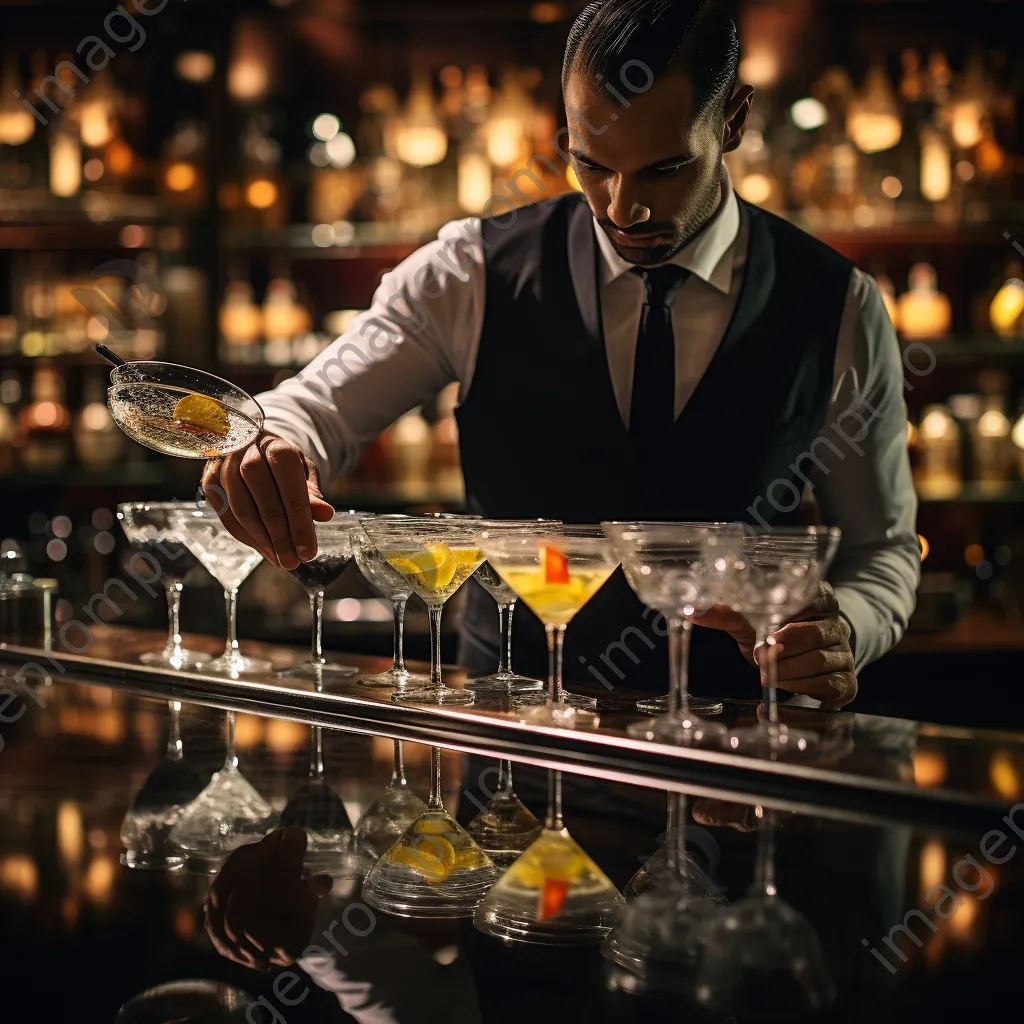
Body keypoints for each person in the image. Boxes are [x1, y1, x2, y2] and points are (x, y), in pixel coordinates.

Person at [201, 0, 919, 709]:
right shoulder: (472, 272)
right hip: (515, 764)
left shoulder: (838, 303)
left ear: (732, 117)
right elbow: (311, 408)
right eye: (592, 164)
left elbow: (881, 553)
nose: (621, 208)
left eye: (664, 170)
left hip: (732, 774)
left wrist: (843, 631)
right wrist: (265, 444)